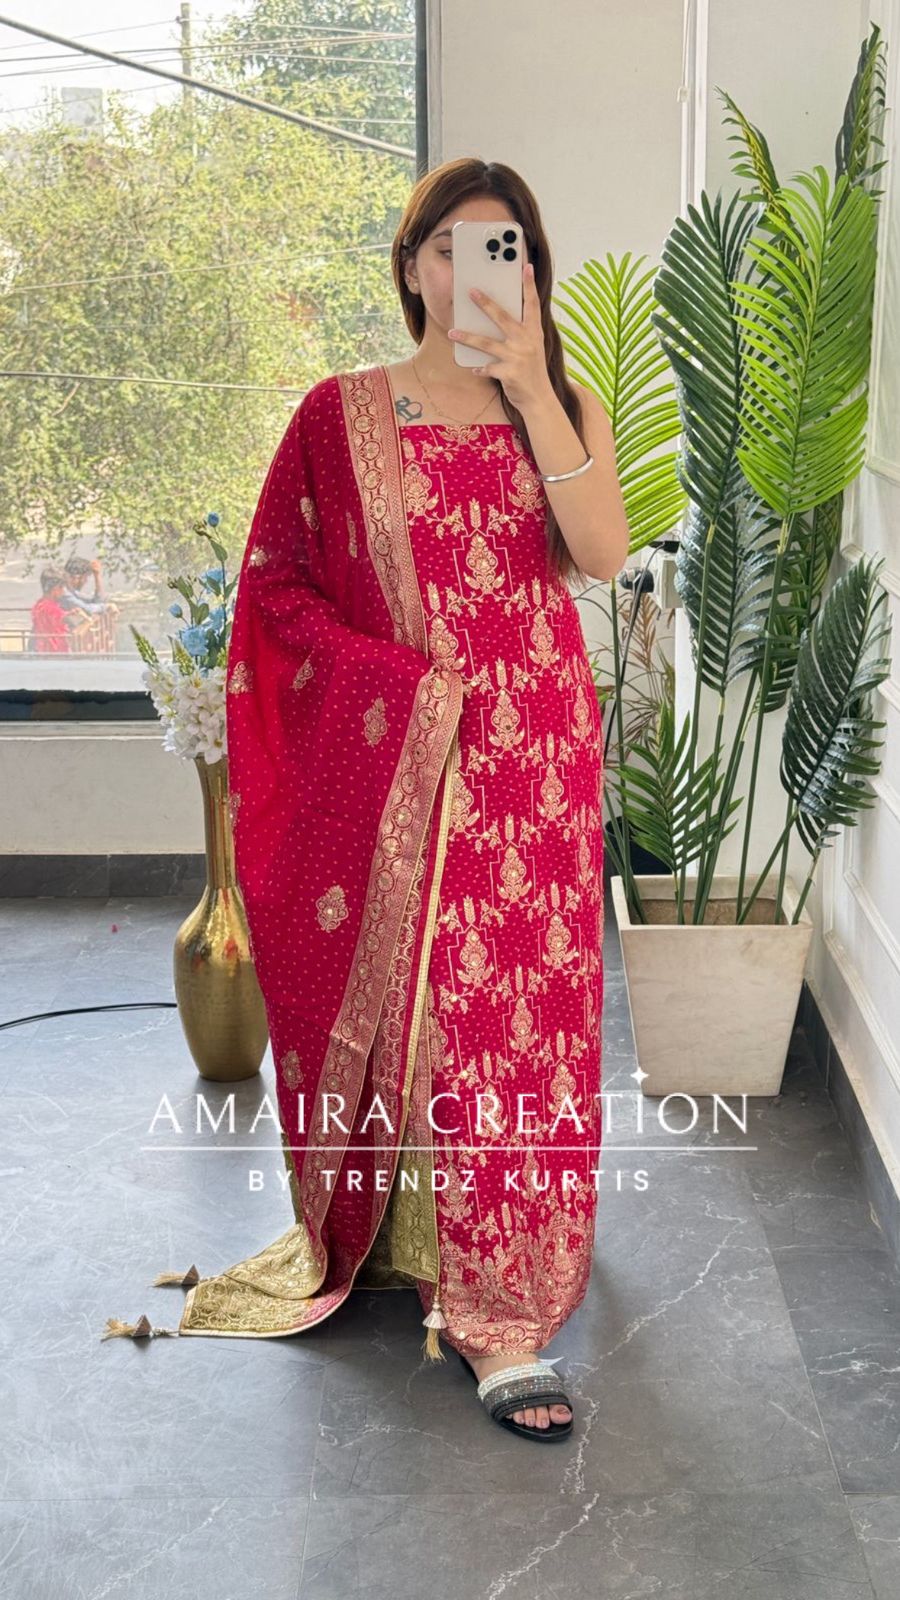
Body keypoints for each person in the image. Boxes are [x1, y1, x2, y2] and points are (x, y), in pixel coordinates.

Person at [103, 158, 630, 1442]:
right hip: (412, 758)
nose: (478, 271)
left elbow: (601, 556)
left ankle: (505, 1299)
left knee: (518, 1023)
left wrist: (532, 393)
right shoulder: (340, 417)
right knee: (433, 1010)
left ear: (534, 269)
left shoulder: (565, 403)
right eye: (452, 247)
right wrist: (400, 691)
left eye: (506, 247)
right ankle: (420, 1246)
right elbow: (275, 590)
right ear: (410, 267)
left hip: (535, 759)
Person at [29, 567, 89, 653]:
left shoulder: (40, 604)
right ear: (55, 589)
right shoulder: (50, 608)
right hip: (54, 652)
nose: (64, 592)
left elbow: (56, 616)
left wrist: (70, 613)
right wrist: (85, 619)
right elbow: (61, 617)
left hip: (44, 650)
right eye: (62, 588)